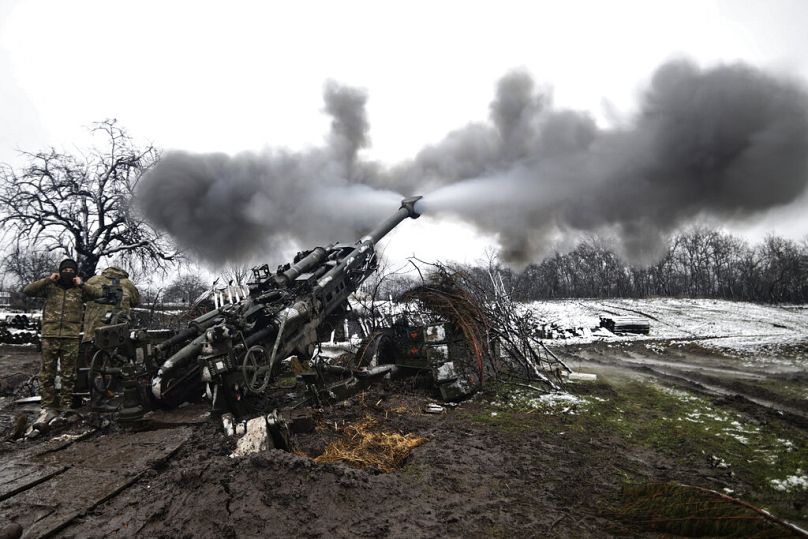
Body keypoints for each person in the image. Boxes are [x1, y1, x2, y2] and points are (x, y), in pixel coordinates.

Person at [23, 258, 102, 428]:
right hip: (49, 335)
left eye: (70, 270)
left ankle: (66, 406)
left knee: (68, 374)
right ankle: (48, 406)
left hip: (71, 337)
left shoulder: (80, 290)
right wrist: (47, 279)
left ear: (75, 272)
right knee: (47, 373)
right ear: (60, 271)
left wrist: (82, 284)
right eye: (64, 269)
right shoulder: (51, 287)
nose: (67, 272)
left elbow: (99, 294)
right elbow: (27, 290)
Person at [81, 266, 141, 344]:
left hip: (92, 333)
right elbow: (135, 301)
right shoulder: (127, 283)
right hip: (118, 333)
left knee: (91, 354)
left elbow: (82, 297)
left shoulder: (94, 280)